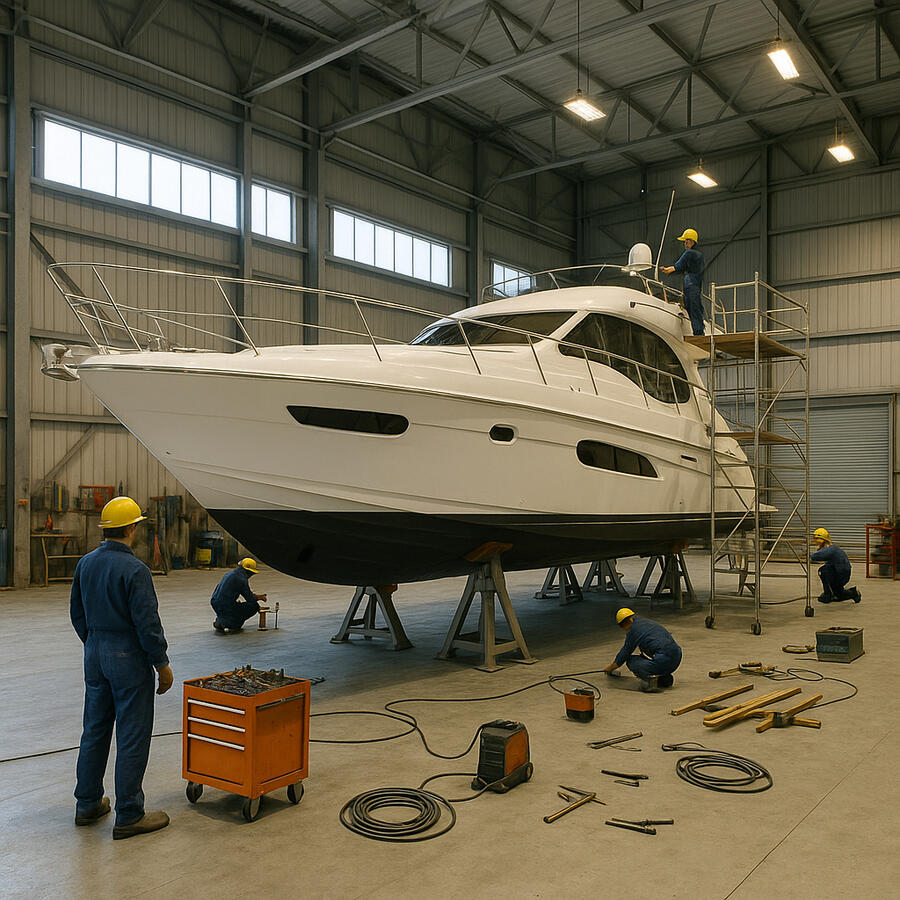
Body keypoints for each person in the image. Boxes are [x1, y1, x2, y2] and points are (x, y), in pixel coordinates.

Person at [70, 496, 173, 840]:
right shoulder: (135, 570)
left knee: (94, 729)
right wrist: (161, 663)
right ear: (131, 528)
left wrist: (95, 643)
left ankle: (87, 804)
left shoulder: (85, 564)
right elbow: (147, 623)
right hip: (127, 656)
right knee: (132, 733)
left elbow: (77, 613)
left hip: (95, 652)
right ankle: (129, 814)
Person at [602, 608, 682, 692]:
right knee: (651, 653)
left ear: (622, 624)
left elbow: (625, 652)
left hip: (663, 660)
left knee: (631, 661)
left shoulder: (633, 631)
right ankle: (664, 677)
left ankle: (649, 681)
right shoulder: (645, 623)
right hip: (676, 658)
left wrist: (610, 668)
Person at [661, 228, 705, 336]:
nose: (685, 244)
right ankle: (698, 330)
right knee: (695, 306)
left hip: (690, 284)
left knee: (693, 307)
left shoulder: (689, 253)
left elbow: (678, 266)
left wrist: (666, 270)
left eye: (686, 241)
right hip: (695, 284)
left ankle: (698, 332)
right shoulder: (698, 255)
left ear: (692, 242)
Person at [211, 558, 268, 633]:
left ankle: (221, 620)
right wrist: (259, 599)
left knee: (229, 609)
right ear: (249, 572)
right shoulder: (241, 579)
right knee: (253, 606)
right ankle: (227, 623)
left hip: (215, 602)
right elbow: (249, 598)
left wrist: (257, 598)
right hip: (225, 605)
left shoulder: (231, 573)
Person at [811, 527, 861, 604]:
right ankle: (851, 593)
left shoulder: (830, 549)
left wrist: (809, 555)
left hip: (841, 575)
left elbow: (815, 556)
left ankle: (829, 594)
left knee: (822, 571)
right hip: (841, 573)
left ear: (823, 540)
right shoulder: (833, 548)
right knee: (838, 595)